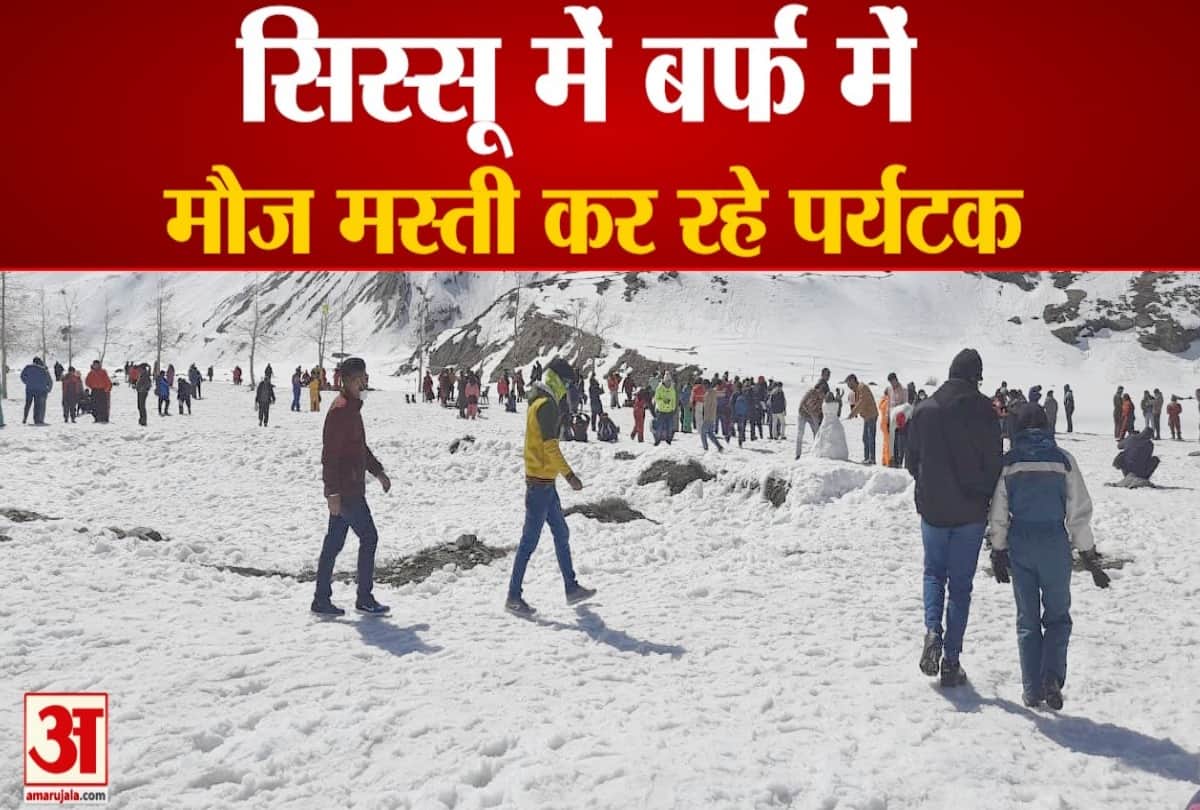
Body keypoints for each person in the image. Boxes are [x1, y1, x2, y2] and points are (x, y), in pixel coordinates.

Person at [987, 404, 1109, 709]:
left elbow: (999, 512)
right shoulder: (1063, 460)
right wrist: (1088, 554)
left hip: (1021, 542)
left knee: (1027, 619)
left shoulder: (1009, 463)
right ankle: (1051, 676)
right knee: (1057, 616)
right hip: (1054, 542)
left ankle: (1032, 690)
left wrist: (998, 549)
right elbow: (1078, 512)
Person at [904, 349, 1002, 688]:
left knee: (934, 572)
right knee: (960, 587)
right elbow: (995, 464)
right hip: (971, 513)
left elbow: (910, 460)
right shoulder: (986, 411)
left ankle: (933, 630)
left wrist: (928, 483)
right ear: (976, 376)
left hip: (933, 508)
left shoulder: (925, 408)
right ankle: (952, 661)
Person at [505, 358, 594, 617]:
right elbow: (550, 447)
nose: (567, 389)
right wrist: (570, 476)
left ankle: (571, 587)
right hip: (540, 485)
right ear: (558, 381)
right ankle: (513, 597)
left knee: (561, 532)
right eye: (566, 383)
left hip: (544, 482)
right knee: (528, 543)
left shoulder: (539, 401)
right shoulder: (547, 406)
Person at [311, 358, 392, 616]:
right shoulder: (340, 411)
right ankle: (364, 598)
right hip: (346, 491)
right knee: (369, 537)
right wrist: (332, 493)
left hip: (350, 487)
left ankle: (321, 599)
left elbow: (359, 448)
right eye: (362, 378)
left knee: (333, 544)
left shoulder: (352, 409)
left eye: (366, 377)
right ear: (349, 381)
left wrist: (378, 471)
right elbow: (330, 456)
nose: (365, 382)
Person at [844, 375, 878, 464]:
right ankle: (867, 458)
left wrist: (853, 413)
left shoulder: (862, 388)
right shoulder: (857, 390)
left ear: (853, 381)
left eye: (849, 383)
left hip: (871, 415)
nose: (848, 386)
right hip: (866, 416)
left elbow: (861, 403)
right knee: (865, 438)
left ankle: (872, 459)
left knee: (870, 437)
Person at [811, 391, 849, 460]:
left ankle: (823, 452)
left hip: (825, 422)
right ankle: (839, 454)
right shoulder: (836, 404)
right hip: (835, 423)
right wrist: (839, 397)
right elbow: (838, 407)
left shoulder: (824, 405)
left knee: (823, 437)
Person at [21, 357, 53, 425]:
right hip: (39, 390)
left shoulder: (28, 367)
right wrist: (48, 388)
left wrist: (27, 382)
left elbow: (22, 376)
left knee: (28, 404)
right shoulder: (43, 369)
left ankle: (25, 418)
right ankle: (36, 420)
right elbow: (49, 379)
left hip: (29, 389)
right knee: (37, 405)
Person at [700, 379, 724, 453]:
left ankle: (705, 448)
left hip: (708, 417)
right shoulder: (713, 392)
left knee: (703, 432)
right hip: (712, 416)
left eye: (703, 385)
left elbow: (707, 407)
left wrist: (705, 416)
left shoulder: (708, 394)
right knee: (710, 433)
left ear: (706, 385)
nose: (703, 387)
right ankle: (719, 446)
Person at [653, 373, 677, 446]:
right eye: (667, 381)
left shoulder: (672, 389)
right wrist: (663, 401)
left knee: (670, 426)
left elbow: (674, 399)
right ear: (664, 381)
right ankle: (657, 440)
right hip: (661, 411)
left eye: (669, 381)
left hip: (669, 411)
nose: (668, 382)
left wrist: (673, 408)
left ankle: (669, 439)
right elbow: (656, 399)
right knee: (659, 426)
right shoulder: (659, 388)